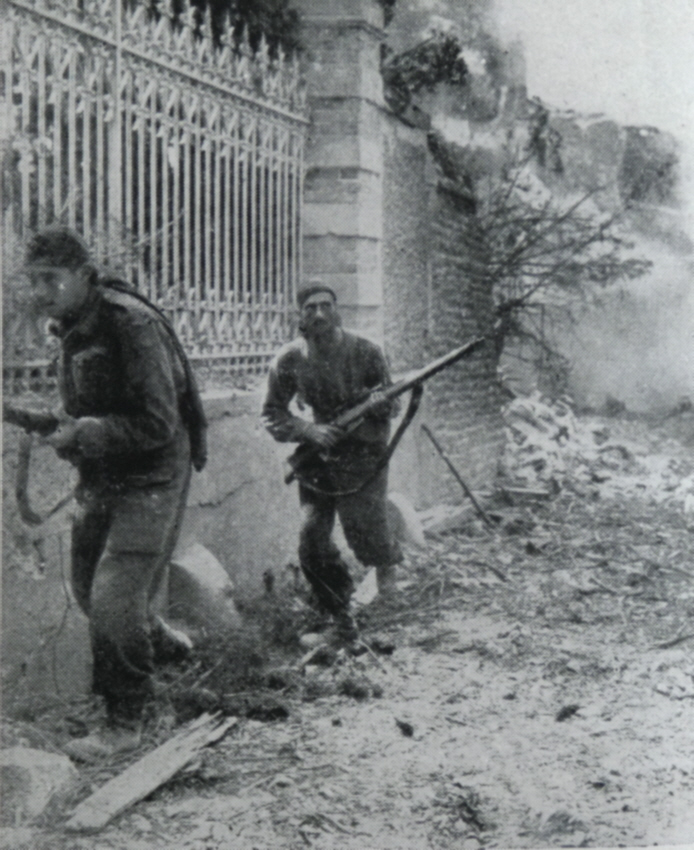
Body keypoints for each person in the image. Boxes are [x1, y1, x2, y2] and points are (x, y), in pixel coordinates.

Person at [22, 227, 207, 761]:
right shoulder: (71, 324)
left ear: (83, 274)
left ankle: (127, 721)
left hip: (152, 476)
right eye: (34, 281)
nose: (41, 292)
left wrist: (86, 433)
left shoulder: (131, 322)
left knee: (112, 596)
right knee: (85, 587)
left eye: (51, 279)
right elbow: (89, 405)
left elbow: (159, 423)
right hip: (103, 474)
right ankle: (157, 645)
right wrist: (67, 431)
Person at [262, 282, 402, 643]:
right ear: (300, 317)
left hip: (363, 458)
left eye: (326, 305)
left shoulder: (367, 351)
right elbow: (273, 414)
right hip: (318, 461)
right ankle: (341, 617)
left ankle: (389, 582)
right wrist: (308, 430)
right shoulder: (288, 360)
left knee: (366, 534)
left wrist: (374, 406)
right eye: (311, 308)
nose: (320, 314)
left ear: (338, 310)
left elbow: (394, 403)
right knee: (312, 542)